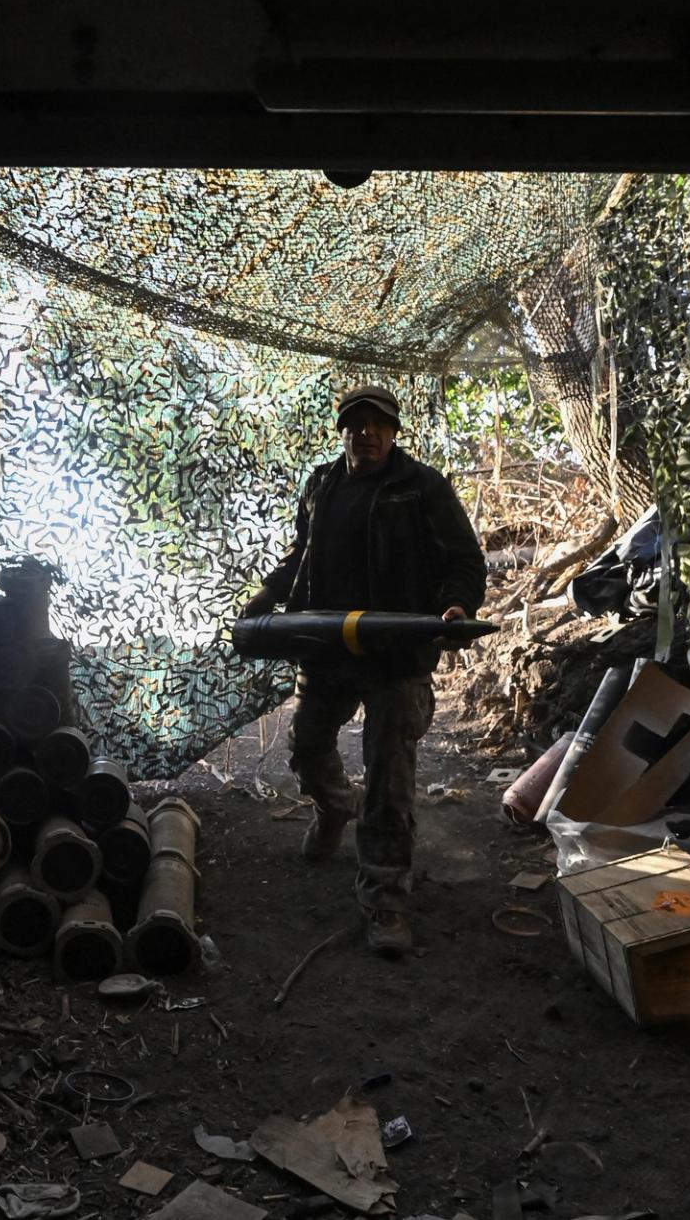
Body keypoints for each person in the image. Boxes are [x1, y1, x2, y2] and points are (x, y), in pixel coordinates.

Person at [242, 384, 485, 954]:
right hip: (328, 647)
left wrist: (457, 606)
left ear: (394, 431)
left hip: (394, 656)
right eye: (356, 424)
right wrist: (268, 596)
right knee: (306, 745)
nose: (367, 433)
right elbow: (301, 554)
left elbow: (464, 559)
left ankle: (385, 899)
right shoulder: (322, 486)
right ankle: (333, 807)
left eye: (378, 424)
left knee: (388, 771)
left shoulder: (422, 487)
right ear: (342, 432)